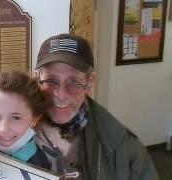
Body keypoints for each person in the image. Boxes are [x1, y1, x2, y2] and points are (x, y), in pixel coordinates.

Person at [32, 33, 158, 179]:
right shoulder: (8, 132)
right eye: (51, 80)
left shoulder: (124, 149)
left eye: (74, 82)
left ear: (90, 82)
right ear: (37, 78)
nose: (61, 94)